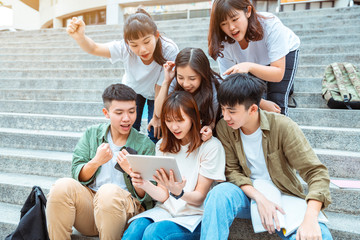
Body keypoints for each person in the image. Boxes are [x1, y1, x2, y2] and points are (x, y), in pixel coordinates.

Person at [200, 73, 333, 240]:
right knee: (218, 194)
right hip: (247, 194)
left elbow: (316, 173)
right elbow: (232, 172)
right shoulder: (225, 128)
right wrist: (259, 197)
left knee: (320, 236)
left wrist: (311, 217)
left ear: (254, 109)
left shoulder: (283, 126)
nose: (225, 116)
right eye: (223, 108)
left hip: (283, 195)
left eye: (232, 111)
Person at [46, 84, 156, 240]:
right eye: (119, 112)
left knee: (108, 192)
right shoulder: (92, 134)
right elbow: (78, 174)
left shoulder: (145, 145)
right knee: (61, 186)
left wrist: (132, 173)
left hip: (126, 211)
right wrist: (96, 161)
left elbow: (149, 198)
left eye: (132, 111)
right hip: (91, 209)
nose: (127, 118)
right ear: (106, 113)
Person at [121, 91, 226, 240]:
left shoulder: (210, 146)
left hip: (195, 217)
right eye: (169, 120)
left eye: (180, 120)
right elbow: (163, 195)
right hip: (165, 211)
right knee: (134, 230)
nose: (174, 127)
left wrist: (179, 193)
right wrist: (143, 183)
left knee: (154, 233)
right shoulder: (162, 146)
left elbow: (200, 197)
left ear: (192, 118)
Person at [66, 8, 179, 142]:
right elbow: (94, 48)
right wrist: (80, 37)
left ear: (156, 35)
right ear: (127, 43)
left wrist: (156, 118)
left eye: (147, 41)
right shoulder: (124, 47)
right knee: (129, 130)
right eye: (134, 45)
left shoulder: (169, 49)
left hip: (159, 92)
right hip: (133, 89)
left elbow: (160, 89)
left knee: (156, 132)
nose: (142, 49)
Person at [208, 0, 300, 115]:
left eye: (235, 19)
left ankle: (286, 86)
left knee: (276, 102)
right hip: (250, 65)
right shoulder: (223, 43)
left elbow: (278, 73)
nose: (231, 27)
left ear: (248, 11)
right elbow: (230, 83)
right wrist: (260, 102)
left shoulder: (270, 24)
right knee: (253, 104)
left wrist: (248, 66)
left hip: (282, 57)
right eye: (223, 23)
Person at [155, 47, 222, 141]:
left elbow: (213, 121)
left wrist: (209, 128)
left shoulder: (214, 88)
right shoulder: (175, 81)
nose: (186, 84)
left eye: (192, 78)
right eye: (181, 77)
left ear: (203, 74)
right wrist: (166, 82)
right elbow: (159, 113)